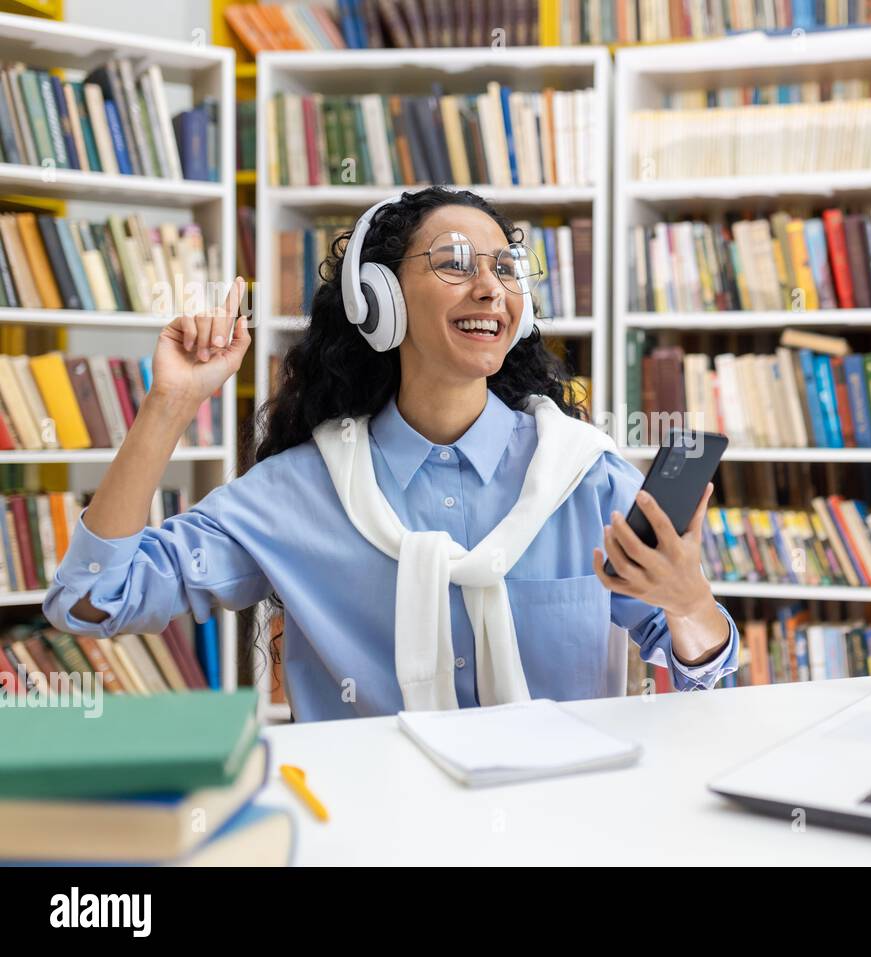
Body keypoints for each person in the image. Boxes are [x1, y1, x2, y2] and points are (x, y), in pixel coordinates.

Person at [43, 186, 738, 720]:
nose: (490, 286)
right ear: (380, 301)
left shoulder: (583, 476)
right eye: (454, 264)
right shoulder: (298, 493)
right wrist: (170, 402)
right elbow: (92, 598)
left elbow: (708, 671)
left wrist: (689, 602)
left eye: (504, 267)